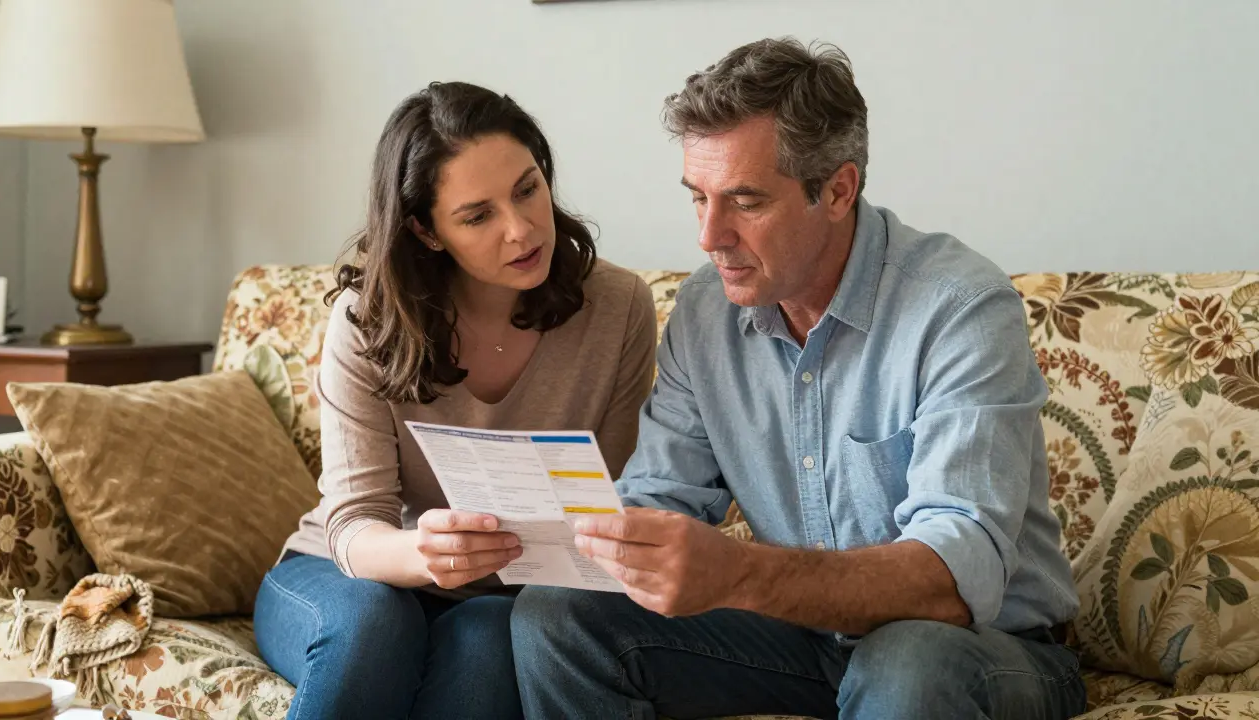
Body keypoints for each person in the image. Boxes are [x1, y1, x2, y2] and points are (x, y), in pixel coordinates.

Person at [510, 37, 1086, 720]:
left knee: (907, 661)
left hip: (982, 649)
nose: (709, 236)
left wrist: (740, 572)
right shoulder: (705, 311)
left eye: (745, 201)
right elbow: (660, 498)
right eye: (698, 198)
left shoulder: (959, 308)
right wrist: (543, 531)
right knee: (558, 614)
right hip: (801, 641)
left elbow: (955, 577)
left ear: (838, 190)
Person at [252, 81, 658, 720]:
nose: (521, 229)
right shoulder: (368, 320)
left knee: (492, 634)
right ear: (427, 230)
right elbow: (354, 526)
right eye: (477, 216)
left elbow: (607, 504)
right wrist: (424, 552)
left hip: (501, 597)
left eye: (527, 189)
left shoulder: (619, 307)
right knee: (375, 623)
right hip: (346, 573)